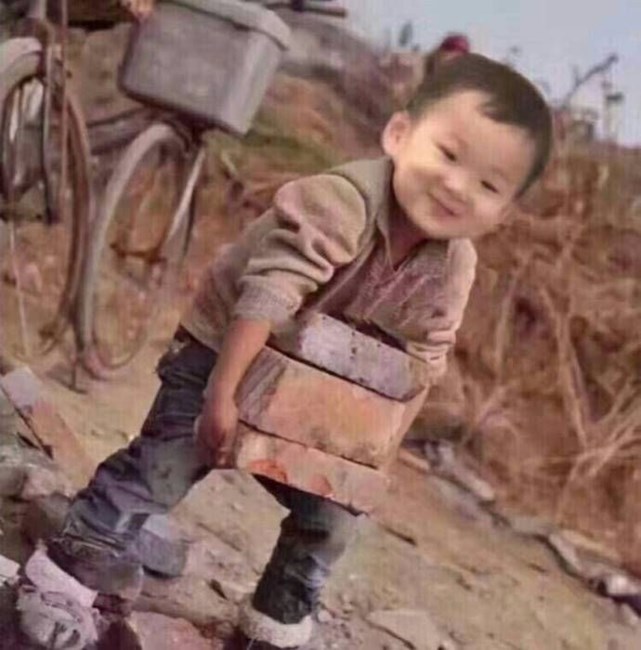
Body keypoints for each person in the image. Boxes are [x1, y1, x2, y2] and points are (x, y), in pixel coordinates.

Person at [17, 53, 553, 650]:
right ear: (400, 135)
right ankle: (69, 570)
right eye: (448, 154)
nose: (457, 186)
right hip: (226, 348)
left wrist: (374, 461)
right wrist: (222, 394)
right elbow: (269, 294)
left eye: (487, 185)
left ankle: (272, 623)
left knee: (333, 515)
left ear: (504, 212)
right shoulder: (341, 201)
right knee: (164, 465)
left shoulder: (454, 266)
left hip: (321, 381)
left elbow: (426, 359)